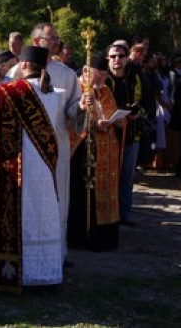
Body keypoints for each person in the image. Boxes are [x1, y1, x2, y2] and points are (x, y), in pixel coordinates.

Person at [0, 45, 64, 293]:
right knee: (40, 217)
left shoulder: (10, 92)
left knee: (16, 215)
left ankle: (7, 272)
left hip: (15, 168)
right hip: (42, 168)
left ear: (23, 65)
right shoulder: (52, 93)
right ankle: (42, 273)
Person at [7, 23, 83, 263]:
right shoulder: (18, 72)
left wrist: (81, 107)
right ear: (37, 42)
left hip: (55, 146)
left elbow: (73, 110)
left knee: (57, 194)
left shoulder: (67, 74)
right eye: (50, 39)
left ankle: (56, 252)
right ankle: (24, 249)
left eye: (56, 39)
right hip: (25, 147)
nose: (55, 43)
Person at [67, 55, 124, 251]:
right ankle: (81, 236)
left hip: (106, 149)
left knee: (105, 189)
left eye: (104, 75)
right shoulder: (76, 88)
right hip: (83, 149)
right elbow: (69, 117)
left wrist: (117, 120)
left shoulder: (106, 90)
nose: (101, 80)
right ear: (85, 72)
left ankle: (103, 237)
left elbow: (112, 112)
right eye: (97, 75)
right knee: (82, 192)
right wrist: (93, 123)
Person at [105, 42, 147, 225]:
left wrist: (139, 111)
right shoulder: (102, 78)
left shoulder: (136, 76)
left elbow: (148, 101)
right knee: (107, 175)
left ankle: (125, 211)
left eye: (121, 56)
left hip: (130, 134)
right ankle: (107, 212)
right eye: (113, 56)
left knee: (127, 176)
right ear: (107, 59)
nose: (117, 60)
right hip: (106, 134)